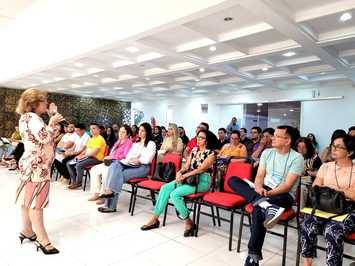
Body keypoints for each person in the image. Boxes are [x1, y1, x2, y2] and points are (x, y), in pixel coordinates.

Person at [228, 125, 304, 265]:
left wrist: (267, 193)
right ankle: (264, 203)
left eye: (276, 136)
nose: (272, 138)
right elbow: (260, 175)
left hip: (284, 195)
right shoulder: (267, 153)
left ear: (287, 141)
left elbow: (287, 186)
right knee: (232, 180)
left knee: (258, 208)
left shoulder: (297, 158)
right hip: (262, 190)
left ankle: (253, 256)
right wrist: (258, 188)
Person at [15, 88, 64, 254]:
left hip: (30, 164)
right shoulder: (34, 118)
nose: (47, 103)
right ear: (35, 103)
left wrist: (51, 120)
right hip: (38, 166)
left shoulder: (27, 117)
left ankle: (27, 230)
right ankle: (43, 241)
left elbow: (45, 137)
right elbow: (44, 137)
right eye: (44, 100)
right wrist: (51, 123)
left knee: (27, 200)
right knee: (37, 204)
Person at [141, 129, 215, 236]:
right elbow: (186, 165)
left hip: (202, 181)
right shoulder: (194, 150)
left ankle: (188, 222)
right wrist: (179, 172)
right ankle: (155, 219)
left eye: (201, 138)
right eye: (198, 137)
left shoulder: (211, 154)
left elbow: (201, 169)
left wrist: (184, 175)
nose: (198, 139)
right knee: (165, 188)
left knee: (174, 194)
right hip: (189, 178)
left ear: (207, 141)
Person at [300, 134, 355, 266]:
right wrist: (340, 192)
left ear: (350, 152)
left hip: (349, 209)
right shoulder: (326, 166)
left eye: (338, 147)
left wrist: (328, 189)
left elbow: (353, 195)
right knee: (307, 223)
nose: (333, 149)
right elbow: (315, 187)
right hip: (324, 207)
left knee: (332, 230)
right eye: (333, 145)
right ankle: (307, 263)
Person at [97, 123, 156, 212]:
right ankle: (109, 194)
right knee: (114, 164)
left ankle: (110, 205)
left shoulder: (151, 143)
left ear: (147, 132)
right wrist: (133, 159)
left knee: (117, 175)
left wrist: (138, 159)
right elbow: (128, 156)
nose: (140, 132)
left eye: (142, 131)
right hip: (131, 164)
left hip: (143, 168)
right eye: (139, 130)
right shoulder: (136, 143)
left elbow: (147, 160)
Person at [88, 125, 133, 204]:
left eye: (123, 132)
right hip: (110, 161)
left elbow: (125, 156)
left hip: (118, 164)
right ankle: (96, 193)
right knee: (94, 170)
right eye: (120, 132)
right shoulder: (118, 141)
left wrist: (112, 157)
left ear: (128, 134)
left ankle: (103, 196)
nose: (121, 134)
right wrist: (108, 157)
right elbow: (112, 152)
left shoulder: (129, 142)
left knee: (106, 173)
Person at [67, 123, 106, 189]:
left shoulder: (100, 139)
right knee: (69, 163)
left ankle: (78, 183)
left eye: (94, 128)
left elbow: (94, 152)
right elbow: (86, 150)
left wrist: (82, 156)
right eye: (90, 129)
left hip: (96, 159)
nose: (91, 130)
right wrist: (79, 155)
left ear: (99, 130)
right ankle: (74, 181)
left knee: (79, 164)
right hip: (89, 157)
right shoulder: (92, 138)